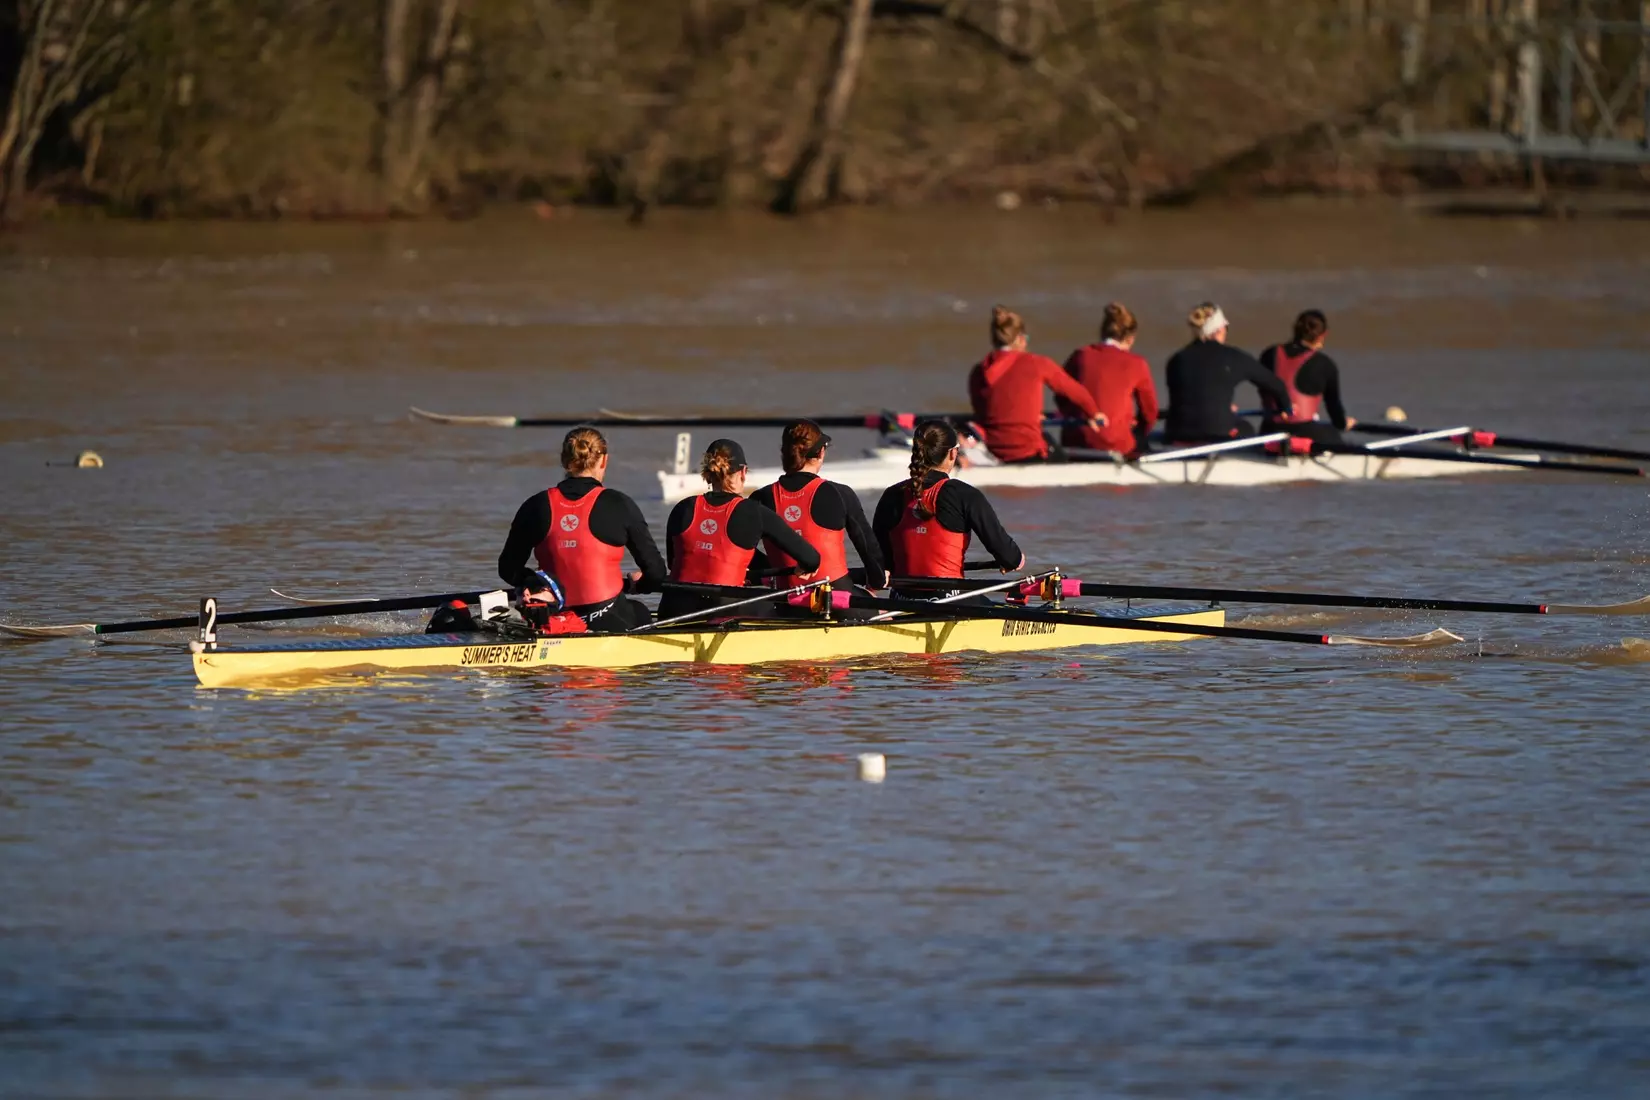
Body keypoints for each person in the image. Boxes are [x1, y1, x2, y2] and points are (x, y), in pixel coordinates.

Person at [497, 426, 665, 632]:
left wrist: (533, 583)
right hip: (606, 617)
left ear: (564, 460)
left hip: (552, 616)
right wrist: (638, 584)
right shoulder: (619, 504)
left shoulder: (536, 505)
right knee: (640, 612)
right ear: (604, 460)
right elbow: (656, 574)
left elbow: (507, 568)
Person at [658, 438, 823, 622]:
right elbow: (811, 558)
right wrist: (801, 567)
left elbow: (673, 564)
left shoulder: (683, 508)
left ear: (708, 473)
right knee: (773, 602)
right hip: (722, 611)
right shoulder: (753, 512)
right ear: (743, 472)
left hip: (673, 610)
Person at [872, 420, 1025, 600]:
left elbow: (882, 562)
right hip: (950, 601)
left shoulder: (891, 495)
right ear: (953, 453)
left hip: (901, 600)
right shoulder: (964, 494)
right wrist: (1015, 560)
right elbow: (1009, 556)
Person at [749, 418, 889, 591]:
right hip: (837, 600)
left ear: (784, 453)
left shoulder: (759, 498)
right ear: (821, 452)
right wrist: (877, 580)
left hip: (785, 599)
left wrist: (775, 572)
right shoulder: (840, 493)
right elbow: (869, 549)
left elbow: (743, 551)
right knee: (880, 609)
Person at [968, 304, 1105, 463]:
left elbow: (982, 411)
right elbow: (1076, 392)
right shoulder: (1037, 364)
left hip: (993, 449)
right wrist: (1094, 413)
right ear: (1020, 339)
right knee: (1060, 455)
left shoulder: (978, 371)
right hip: (1027, 450)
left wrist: (1027, 413)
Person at [1162, 301, 1292, 444]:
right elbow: (1277, 385)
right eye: (1226, 327)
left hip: (1176, 433)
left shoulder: (1176, 359)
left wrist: (1223, 406)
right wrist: (1285, 408)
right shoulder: (1234, 357)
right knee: (1247, 428)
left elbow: (1189, 398)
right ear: (1219, 330)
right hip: (1217, 435)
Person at [1057, 301, 1160, 457]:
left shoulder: (1080, 355)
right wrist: (1137, 431)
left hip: (1076, 440)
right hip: (1115, 444)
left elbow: (1060, 396)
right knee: (1142, 443)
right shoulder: (1137, 363)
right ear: (1131, 338)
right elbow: (1150, 413)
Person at [1258, 308, 1357, 449]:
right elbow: (1334, 409)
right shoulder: (1325, 364)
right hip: (1304, 434)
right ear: (1323, 335)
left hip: (1269, 431)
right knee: (1334, 434)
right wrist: (1343, 423)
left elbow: (1262, 389)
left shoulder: (1269, 354)